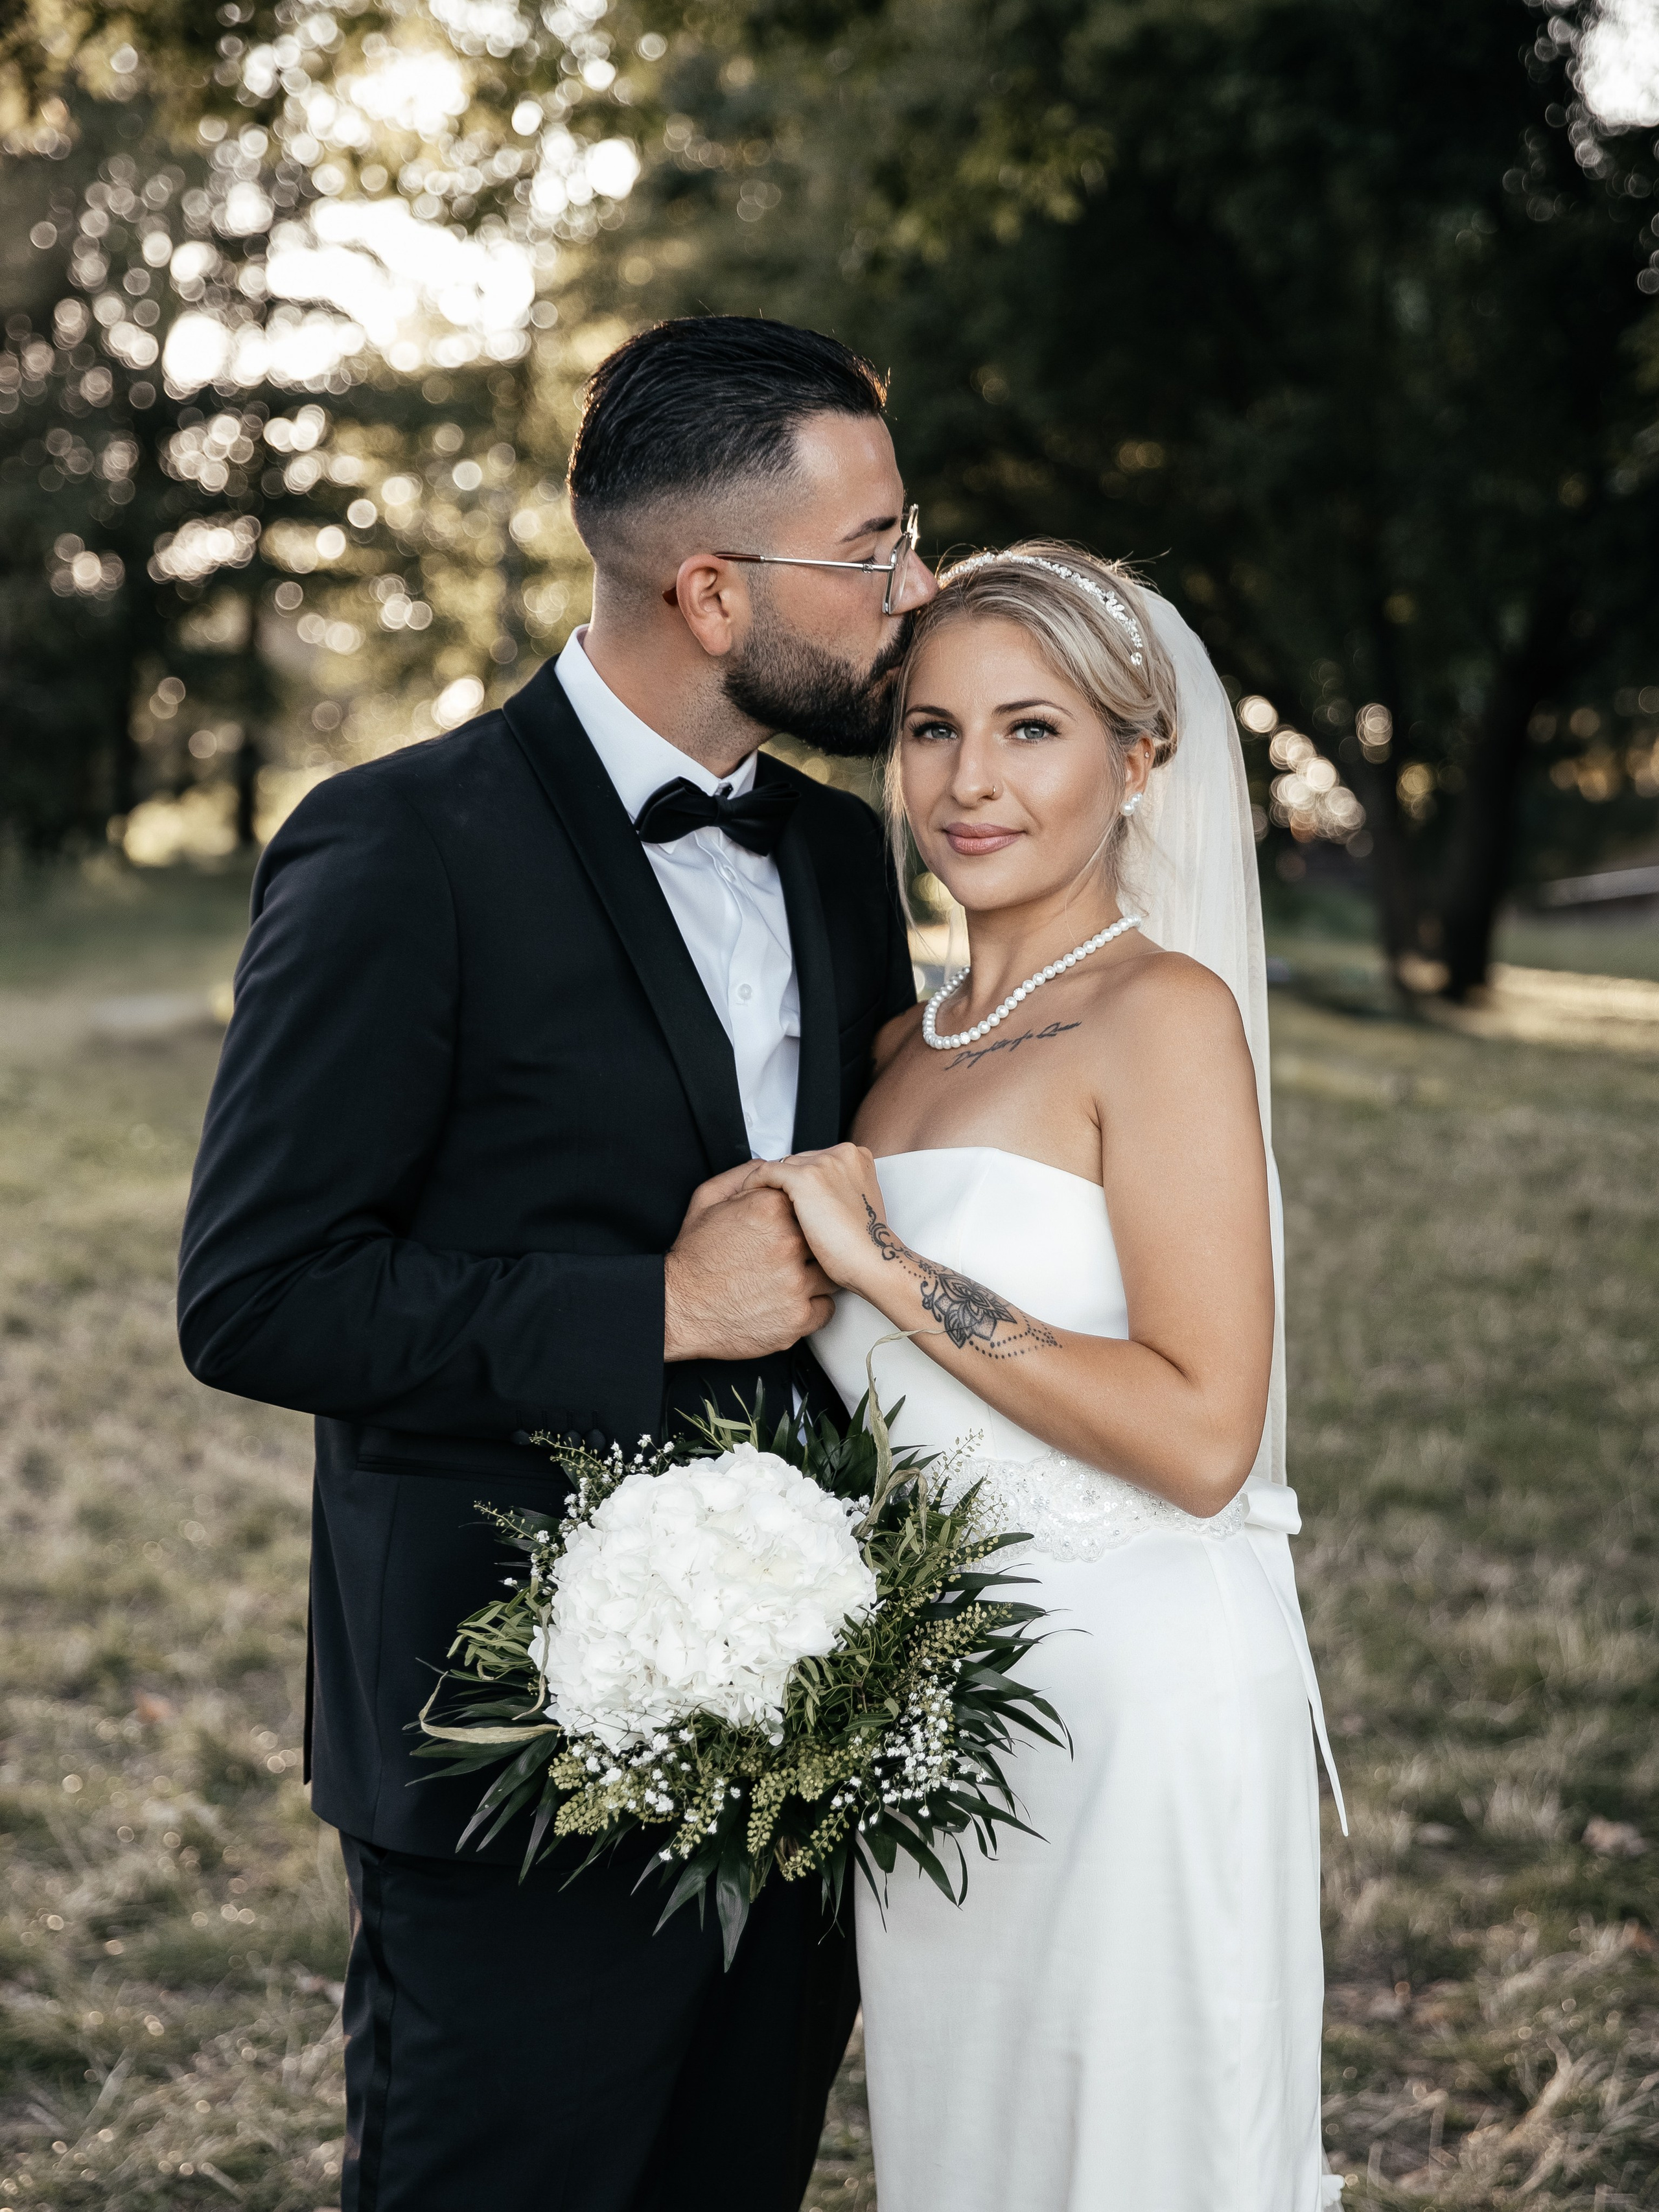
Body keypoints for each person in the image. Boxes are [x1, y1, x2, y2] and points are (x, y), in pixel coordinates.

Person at [176, 316, 934, 2212]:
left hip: (805, 1718)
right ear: (711, 588)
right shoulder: (395, 844)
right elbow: (258, 1292)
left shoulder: (839, 855)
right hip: (502, 1750)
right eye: (873, 551)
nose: (912, 593)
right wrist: (657, 1307)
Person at [748, 543, 1348, 2210]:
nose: (968, 783)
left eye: (1031, 730)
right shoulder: (896, 1050)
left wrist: (893, 1271)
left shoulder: (1159, 1016)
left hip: (1135, 1697)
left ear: (1136, 762)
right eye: (931, 730)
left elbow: (1203, 1432)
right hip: (944, 1714)